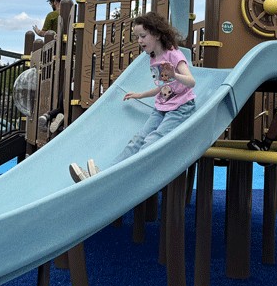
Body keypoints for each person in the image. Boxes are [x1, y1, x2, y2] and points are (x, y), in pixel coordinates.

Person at [69, 12, 196, 182]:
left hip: (181, 107)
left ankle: (124, 177)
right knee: (137, 140)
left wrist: (175, 74)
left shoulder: (174, 55)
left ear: (157, 34)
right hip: (162, 106)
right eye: (137, 37)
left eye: (143, 36)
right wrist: (141, 95)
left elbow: (191, 82)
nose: (140, 41)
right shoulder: (153, 58)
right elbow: (163, 86)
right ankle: (105, 175)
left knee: (153, 139)